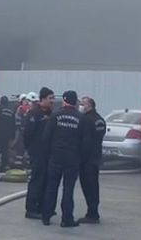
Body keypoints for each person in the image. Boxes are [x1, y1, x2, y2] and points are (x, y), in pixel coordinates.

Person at [41, 90, 84, 228]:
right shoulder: (80, 118)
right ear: (75, 101)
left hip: (56, 157)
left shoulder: (56, 115)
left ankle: (46, 216)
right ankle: (67, 219)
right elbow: (84, 141)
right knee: (68, 189)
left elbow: (46, 137)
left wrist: (48, 154)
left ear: (64, 101)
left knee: (51, 187)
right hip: (72, 158)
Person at [23, 87, 54, 219]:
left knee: (46, 180)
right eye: (50, 98)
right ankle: (31, 209)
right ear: (42, 99)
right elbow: (27, 134)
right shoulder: (34, 113)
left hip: (48, 153)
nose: (52, 101)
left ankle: (42, 207)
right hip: (37, 153)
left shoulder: (51, 113)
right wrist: (31, 150)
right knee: (36, 180)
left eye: (53, 98)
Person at [78, 96, 106, 224]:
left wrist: (81, 158)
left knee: (88, 186)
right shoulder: (100, 119)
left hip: (87, 160)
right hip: (96, 157)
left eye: (82, 103)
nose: (80, 106)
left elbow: (85, 142)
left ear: (89, 105)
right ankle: (93, 211)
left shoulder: (86, 120)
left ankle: (92, 214)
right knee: (94, 186)